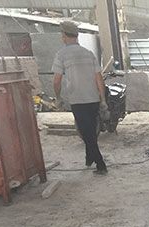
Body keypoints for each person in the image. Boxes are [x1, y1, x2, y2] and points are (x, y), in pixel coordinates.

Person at [52, 20, 108, 175]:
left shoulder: (61, 55)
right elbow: (99, 78)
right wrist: (103, 99)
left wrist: (58, 97)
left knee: (86, 133)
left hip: (77, 100)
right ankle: (89, 158)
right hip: (93, 99)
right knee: (90, 131)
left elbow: (56, 81)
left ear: (64, 36)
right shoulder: (89, 53)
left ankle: (101, 164)